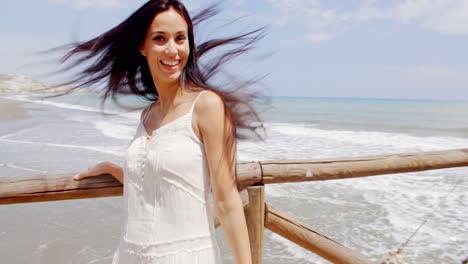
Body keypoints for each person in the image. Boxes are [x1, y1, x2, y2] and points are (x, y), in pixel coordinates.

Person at [66, 0, 266, 263]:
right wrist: (115, 170)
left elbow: (227, 201)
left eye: (180, 38)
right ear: (142, 46)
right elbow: (164, 179)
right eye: (160, 38)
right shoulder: (147, 114)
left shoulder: (206, 106)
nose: (173, 50)